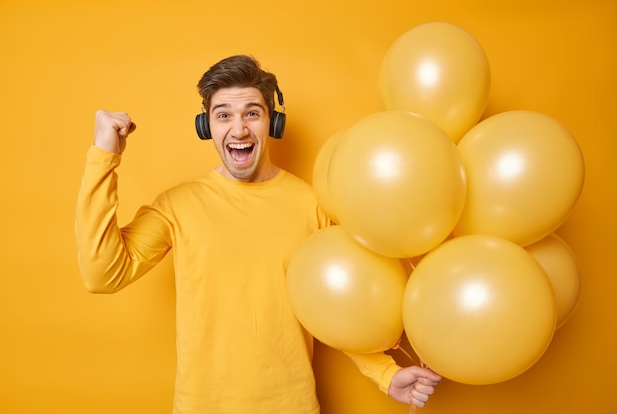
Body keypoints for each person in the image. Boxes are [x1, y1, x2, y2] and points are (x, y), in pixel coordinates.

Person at [75, 54, 441, 413]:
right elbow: (102, 274)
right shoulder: (178, 205)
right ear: (207, 127)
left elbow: (335, 306)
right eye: (223, 116)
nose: (238, 129)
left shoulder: (312, 204)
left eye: (252, 113)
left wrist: (385, 373)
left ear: (273, 123)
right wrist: (103, 155)